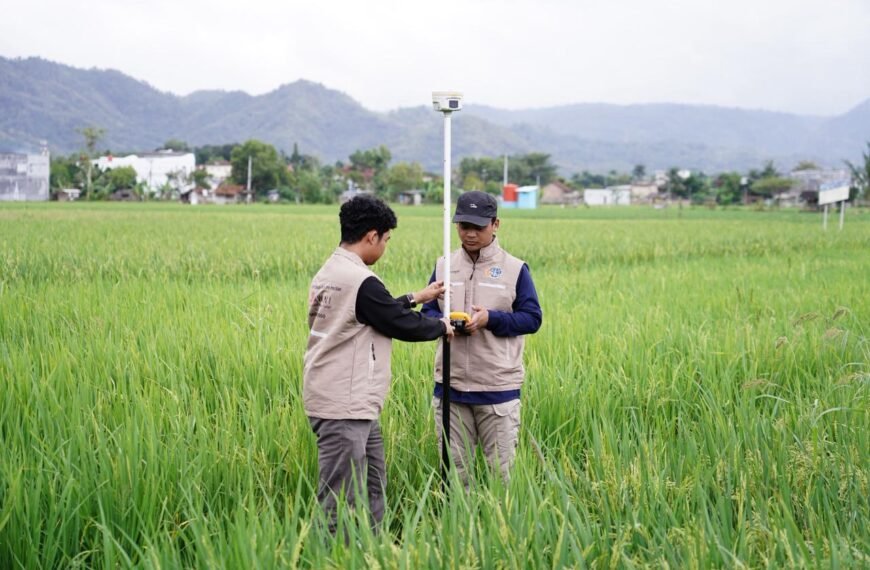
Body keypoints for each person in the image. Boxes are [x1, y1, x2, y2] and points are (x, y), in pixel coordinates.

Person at [303, 194, 454, 531]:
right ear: (371, 236)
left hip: (350, 401)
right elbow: (398, 324)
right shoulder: (362, 281)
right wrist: (442, 326)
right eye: (385, 240)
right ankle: (334, 556)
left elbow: (373, 311)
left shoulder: (332, 270)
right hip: (344, 403)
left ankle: (371, 549)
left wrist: (417, 297)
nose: (384, 247)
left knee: (372, 482)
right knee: (339, 497)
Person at [421, 190, 542, 484]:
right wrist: (443, 323)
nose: (470, 234)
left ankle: (498, 528)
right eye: (464, 226)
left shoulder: (515, 269)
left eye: (479, 227)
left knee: (501, 477)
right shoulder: (443, 266)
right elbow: (426, 312)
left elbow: (532, 318)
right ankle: (455, 528)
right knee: (454, 477)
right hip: (451, 388)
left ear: (495, 224)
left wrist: (491, 319)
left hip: (497, 389)